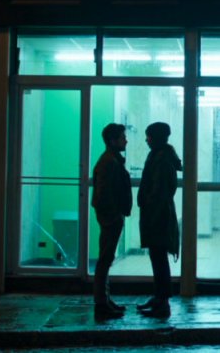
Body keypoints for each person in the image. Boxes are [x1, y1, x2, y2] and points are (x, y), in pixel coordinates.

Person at [136, 122, 181, 319]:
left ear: (156, 138)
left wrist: (149, 208)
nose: (146, 140)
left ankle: (162, 301)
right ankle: (159, 297)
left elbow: (158, 191)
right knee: (158, 258)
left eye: (149, 137)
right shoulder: (162, 156)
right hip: (159, 214)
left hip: (158, 216)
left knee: (159, 258)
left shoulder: (161, 159)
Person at [91, 123, 132, 320]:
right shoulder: (109, 162)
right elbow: (103, 194)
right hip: (111, 218)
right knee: (105, 260)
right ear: (112, 140)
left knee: (106, 259)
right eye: (122, 137)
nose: (126, 140)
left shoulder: (111, 160)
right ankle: (101, 303)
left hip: (111, 216)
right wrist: (114, 215)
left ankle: (105, 300)